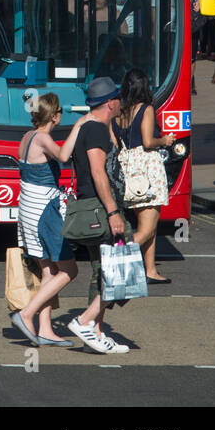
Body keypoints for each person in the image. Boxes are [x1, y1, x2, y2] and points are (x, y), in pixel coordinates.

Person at [10, 93, 84, 347]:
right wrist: (79, 127)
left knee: (49, 271)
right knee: (69, 269)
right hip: (44, 211)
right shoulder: (42, 138)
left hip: (28, 209)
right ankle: (26, 314)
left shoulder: (27, 137)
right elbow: (63, 156)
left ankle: (45, 329)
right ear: (55, 115)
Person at [65, 77, 132, 353]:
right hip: (100, 209)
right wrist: (113, 211)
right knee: (124, 271)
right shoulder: (94, 130)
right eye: (118, 99)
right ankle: (83, 321)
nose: (121, 103)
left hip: (96, 206)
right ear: (110, 102)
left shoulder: (95, 127)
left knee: (102, 272)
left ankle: (96, 334)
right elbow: (97, 171)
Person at [113, 69, 174, 284]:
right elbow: (148, 142)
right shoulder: (146, 109)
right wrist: (165, 141)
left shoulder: (119, 112)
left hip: (130, 172)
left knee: (150, 226)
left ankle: (150, 270)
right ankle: (114, 259)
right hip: (147, 170)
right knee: (147, 229)